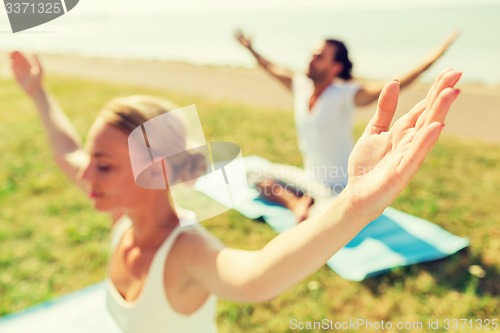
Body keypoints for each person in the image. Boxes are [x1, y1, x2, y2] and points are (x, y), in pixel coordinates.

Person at [10, 50, 461, 333]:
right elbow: (66, 152)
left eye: (104, 165)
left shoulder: (185, 251)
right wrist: (37, 93)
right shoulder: (122, 214)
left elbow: (258, 275)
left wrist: (354, 205)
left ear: (158, 172)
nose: (84, 174)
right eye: (92, 162)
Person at [235, 30, 459, 221]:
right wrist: (250, 49)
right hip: (309, 177)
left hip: (339, 187)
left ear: (336, 67)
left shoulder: (345, 95)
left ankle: (310, 206)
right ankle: (297, 205)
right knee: (251, 172)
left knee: (333, 217)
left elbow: (393, 85)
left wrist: (432, 59)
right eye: (312, 54)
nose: (311, 59)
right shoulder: (301, 86)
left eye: (319, 56)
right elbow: (270, 67)